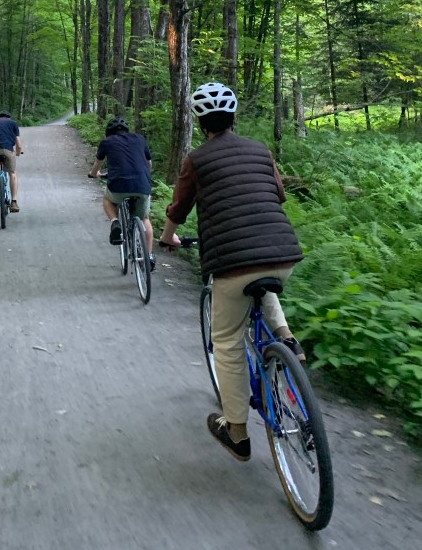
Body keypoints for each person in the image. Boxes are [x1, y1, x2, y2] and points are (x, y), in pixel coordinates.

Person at [158, 82, 304, 463]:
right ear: (234, 117)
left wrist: (168, 238)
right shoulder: (260, 150)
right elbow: (279, 195)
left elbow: (179, 208)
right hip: (283, 253)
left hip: (232, 263)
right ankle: (288, 340)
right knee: (262, 283)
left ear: (201, 123)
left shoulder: (197, 160)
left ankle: (237, 432)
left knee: (225, 341)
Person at [88, 117, 155, 269]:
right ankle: (149, 256)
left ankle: (115, 222)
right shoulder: (140, 139)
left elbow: (97, 164)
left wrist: (94, 174)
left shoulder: (107, 142)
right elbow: (149, 164)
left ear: (109, 132)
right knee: (144, 218)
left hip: (118, 185)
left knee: (107, 199)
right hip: (142, 185)